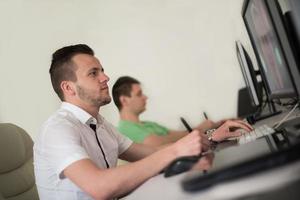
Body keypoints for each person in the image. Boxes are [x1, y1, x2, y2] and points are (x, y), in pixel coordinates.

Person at [33, 44, 214, 200]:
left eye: (102, 71)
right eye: (93, 73)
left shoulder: (102, 125)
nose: (105, 77)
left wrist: (209, 138)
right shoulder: (57, 129)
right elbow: (99, 186)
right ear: (68, 87)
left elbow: (149, 154)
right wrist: (175, 152)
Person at [112, 76, 252, 147]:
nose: (145, 97)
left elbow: (181, 135)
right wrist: (202, 130)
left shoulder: (147, 124)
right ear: (124, 100)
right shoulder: (125, 129)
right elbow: (159, 144)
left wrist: (214, 126)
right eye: (139, 94)